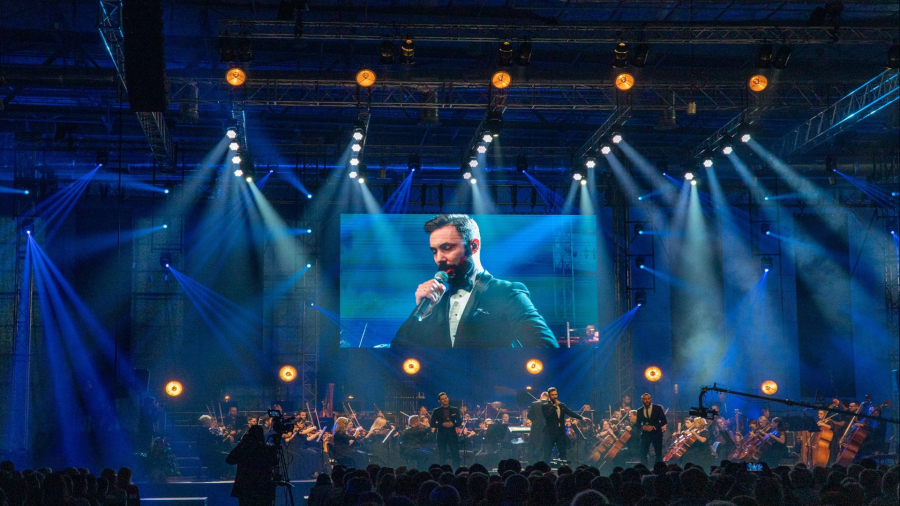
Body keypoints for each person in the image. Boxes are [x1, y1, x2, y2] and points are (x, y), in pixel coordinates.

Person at [391, 214, 558, 348]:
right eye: (434, 251)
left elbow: (546, 346)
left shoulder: (506, 292)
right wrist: (423, 312)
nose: (439, 258)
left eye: (447, 248)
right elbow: (397, 350)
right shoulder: (436, 303)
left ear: (473, 246)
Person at [226, 425, 277, 506]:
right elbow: (274, 463)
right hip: (262, 488)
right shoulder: (266, 449)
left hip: (246, 487)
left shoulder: (243, 448)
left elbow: (230, 459)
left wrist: (242, 444)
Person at [541, 387, 585, 462]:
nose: (555, 396)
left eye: (556, 394)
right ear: (549, 396)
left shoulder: (561, 405)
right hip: (550, 433)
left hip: (560, 432)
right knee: (547, 453)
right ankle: (546, 467)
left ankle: (563, 466)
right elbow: (547, 415)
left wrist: (581, 417)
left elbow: (570, 412)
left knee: (563, 452)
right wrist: (554, 407)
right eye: (552, 395)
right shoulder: (545, 406)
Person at [634, 393, 667, 466]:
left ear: (650, 399)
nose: (647, 401)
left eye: (648, 399)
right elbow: (637, 423)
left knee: (658, 454)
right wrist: (642, 427)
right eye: (645, 399)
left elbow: (664, 421)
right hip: (645, 435)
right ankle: (644, 469)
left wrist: (654, 427)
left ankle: (658, 469)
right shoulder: (639, 410)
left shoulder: (657, 408)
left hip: (656, 434)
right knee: (643, 454)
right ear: (642, 400)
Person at [430, 392, 461, 469]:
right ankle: (442, 471)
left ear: (448, 398)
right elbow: (432, 423)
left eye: (446, 398)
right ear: (439, 401)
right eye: (442, 399)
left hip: (452, 434)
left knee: (455, 454)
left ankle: (456, 471)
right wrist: (442, 424)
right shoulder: (436, 411)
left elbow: (459, 421)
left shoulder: (455, 409)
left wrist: (453, 424)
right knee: (442, 455)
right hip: (441, 435)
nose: (445, 400)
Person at [527, 391, 549, 462]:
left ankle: (533, 462)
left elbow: (529, 415)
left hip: (535, 428)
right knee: (544, 446)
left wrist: (535, 420)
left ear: (541, 396)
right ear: (548, 398)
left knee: (534, 445)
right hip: (546, 429)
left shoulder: (534, 404)